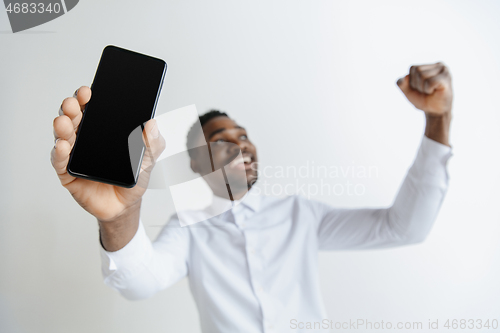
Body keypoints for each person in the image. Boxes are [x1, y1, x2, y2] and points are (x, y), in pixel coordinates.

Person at [51, 62, 453, 333]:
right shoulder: (188, 230)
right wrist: (120, 216)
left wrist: (438, 120)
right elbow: (140, 283)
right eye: (221, 141)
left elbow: (404, 228)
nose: (241, 146)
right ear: (195, 164)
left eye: (243, 136)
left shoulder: (302, 215)